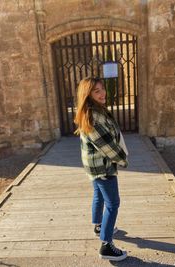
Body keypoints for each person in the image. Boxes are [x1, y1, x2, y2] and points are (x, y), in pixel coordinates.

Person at [74, 77, 128, 261]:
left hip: (94, 166)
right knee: (113, 204)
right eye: (96, 91)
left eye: (102, 88)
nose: (102, 93)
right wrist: (123, 159)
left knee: (98, 195)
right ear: (87, 95)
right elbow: (106, 146)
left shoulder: (94, 110)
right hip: (102, 167)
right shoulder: (93, 116)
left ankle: (98, 226)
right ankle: (106, 245)